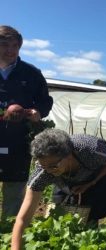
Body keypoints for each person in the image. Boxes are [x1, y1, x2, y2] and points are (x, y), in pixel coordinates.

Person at [11, 129, 106, 249]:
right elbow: (22, 219)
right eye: (43, 166)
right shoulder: (42, 173)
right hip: (66, 179)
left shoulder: (91, 150)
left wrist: (91, 183)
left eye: (53, 166)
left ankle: (91, 241)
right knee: (60, 214)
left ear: (67, 155)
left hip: (95, 174)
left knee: (92, 211)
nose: (48, 171)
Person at [0, 25, 53, 220]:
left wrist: (38, 112)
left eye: (15, 45)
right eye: (5, 45)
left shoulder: (31, 74)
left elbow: (45, 101)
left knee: (14, 187)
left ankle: (9, 232)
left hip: (18, 139)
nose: (10, 50)